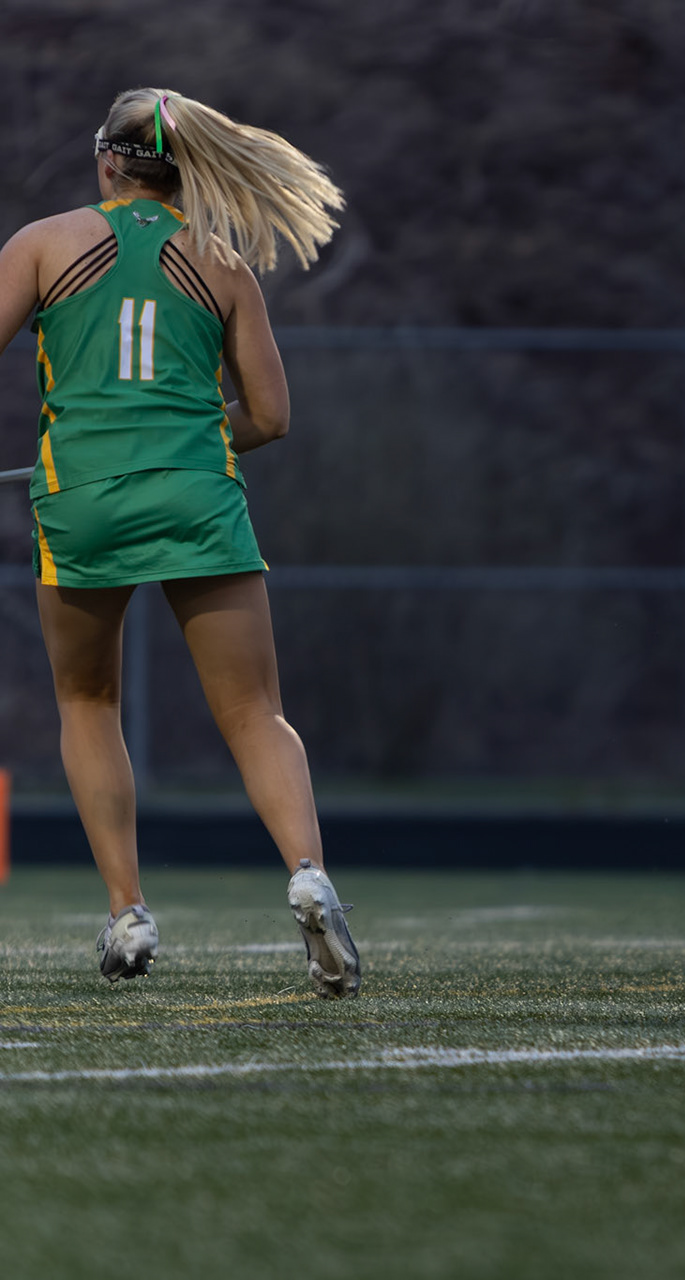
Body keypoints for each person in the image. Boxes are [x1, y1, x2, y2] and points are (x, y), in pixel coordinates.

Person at [0, 88, 361, 996]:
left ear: (107, 161)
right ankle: (309, 875)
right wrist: (183, 443)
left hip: (81, 497)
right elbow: (269, 417)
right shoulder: (224, 265)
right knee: (254, 711)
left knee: (87, 700)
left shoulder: (42, 243)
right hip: (198, 492)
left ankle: (128, 913)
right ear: (183, 172)